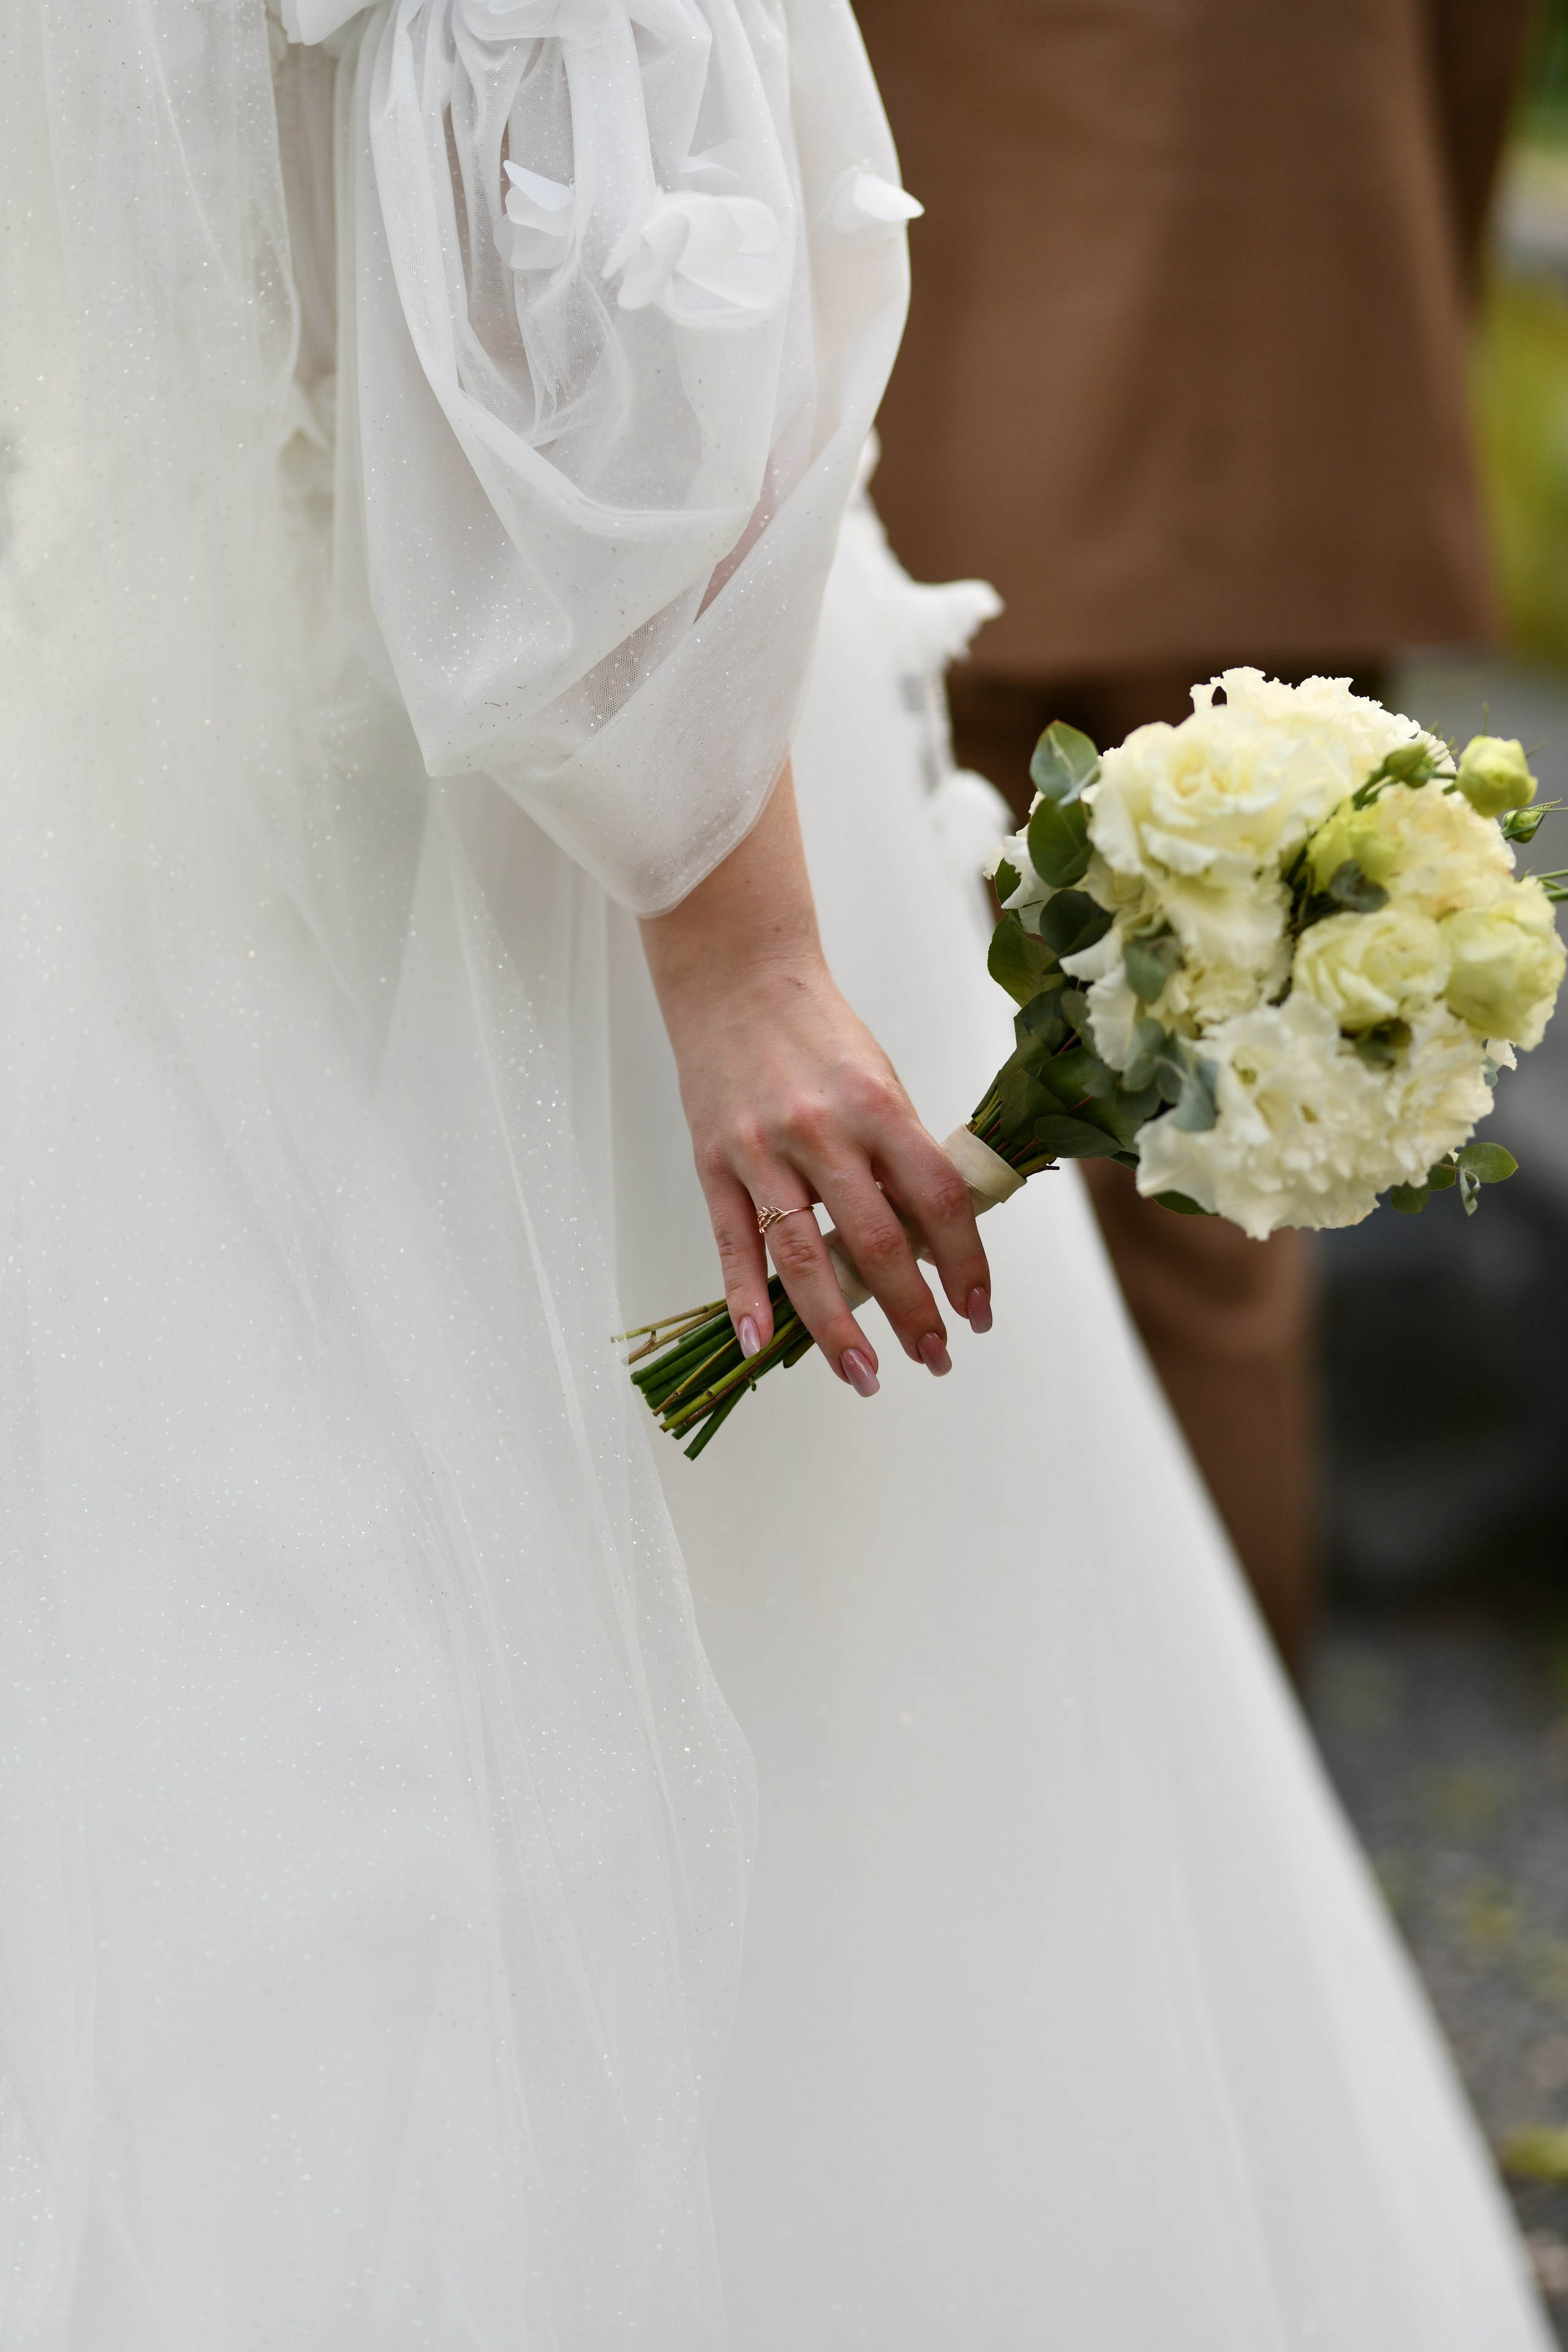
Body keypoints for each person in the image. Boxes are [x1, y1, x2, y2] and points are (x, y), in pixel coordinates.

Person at [0, 0, 1550, 2345]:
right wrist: (740, 954)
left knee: (270, 1619)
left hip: (179, 743)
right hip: (586, 817)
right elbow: (581, 267)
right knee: (743, 1665)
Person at [855, 0, 1537, 1670]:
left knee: (893, 1141)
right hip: (1302, 388)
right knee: (1216, 1201)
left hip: (933, 417)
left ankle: (969, 1764)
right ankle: (1217, 1833)